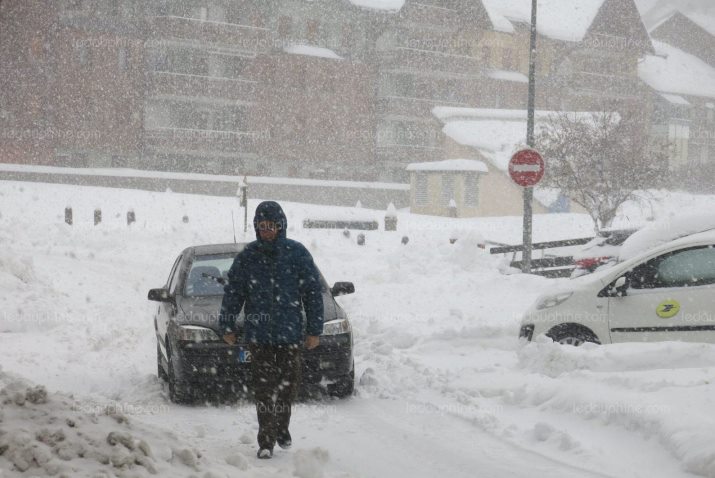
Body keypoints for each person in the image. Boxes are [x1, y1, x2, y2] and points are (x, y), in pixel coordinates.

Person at [219, 201, 324, 459]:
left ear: (281, 226)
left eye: (271, 226)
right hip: (259, 336)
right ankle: (266, 440)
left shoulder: (297, 254)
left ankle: (281, 427)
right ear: (256, 227)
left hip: (290, 336)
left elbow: (312, 293)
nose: (266, 231)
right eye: (262, 226)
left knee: (288, 387)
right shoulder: (248, 257)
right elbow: (234, 293)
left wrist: (314, 330)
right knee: (264, 388)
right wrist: (228, 325)